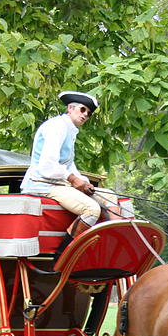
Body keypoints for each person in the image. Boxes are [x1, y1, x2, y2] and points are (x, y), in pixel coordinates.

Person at [20, 90, 120, 248]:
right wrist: (74, 180)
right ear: (70, 108)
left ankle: (116, 243)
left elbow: (68, 165)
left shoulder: (70, 129)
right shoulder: (56, 127)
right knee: (91, 209)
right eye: (82, 110)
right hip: (43, 184)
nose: (85, 115)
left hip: (60, 184)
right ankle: (63, 255)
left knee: (110, 196)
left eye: (89, 113)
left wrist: (84, 183)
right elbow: (48, 166)